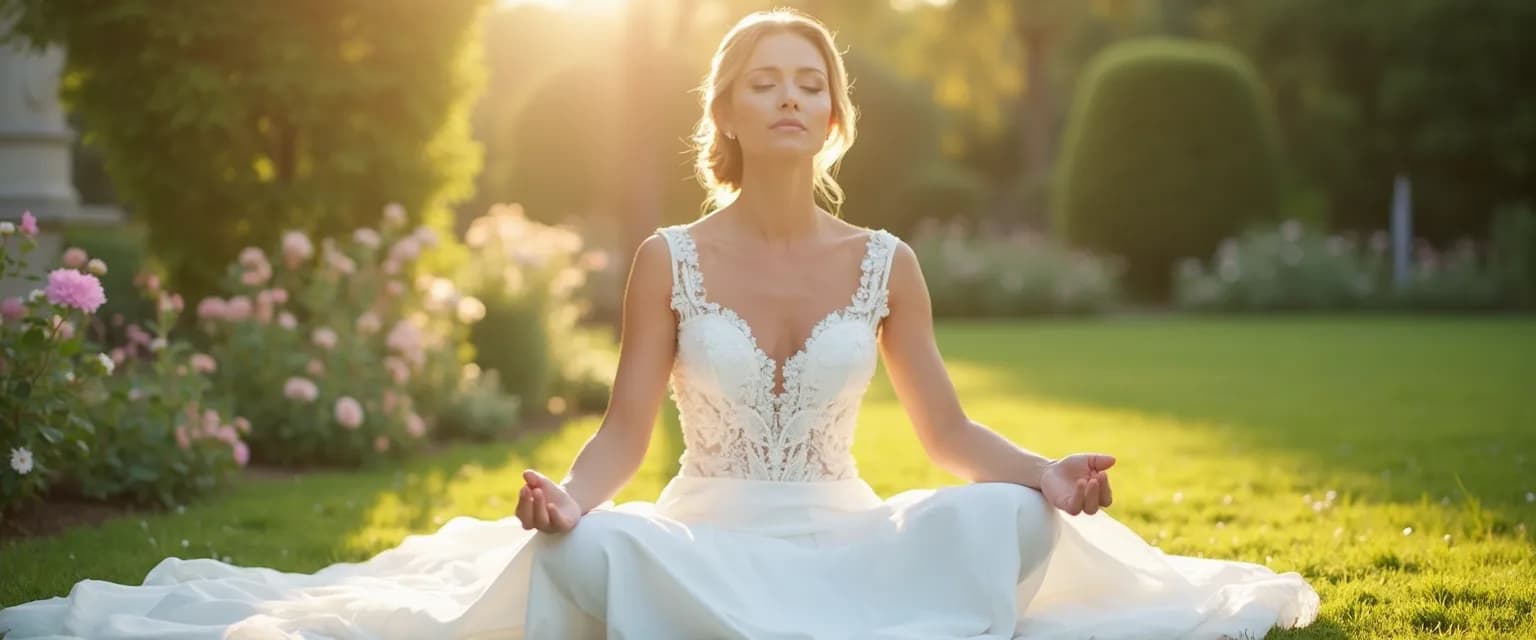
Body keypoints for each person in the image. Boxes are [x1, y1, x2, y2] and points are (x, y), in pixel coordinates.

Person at [0, 8, 1319, 640]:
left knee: (1010, 524)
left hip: (846, 530)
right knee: (597, 560)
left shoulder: (892, 262)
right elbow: (623, 430)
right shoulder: (667, 258)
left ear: (836, 115)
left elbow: (947, 430)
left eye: (813, 82)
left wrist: (1043, 476)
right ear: (729, 114)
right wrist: (566, 502)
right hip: (705, 532)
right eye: (766, 82)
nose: (792, 98)